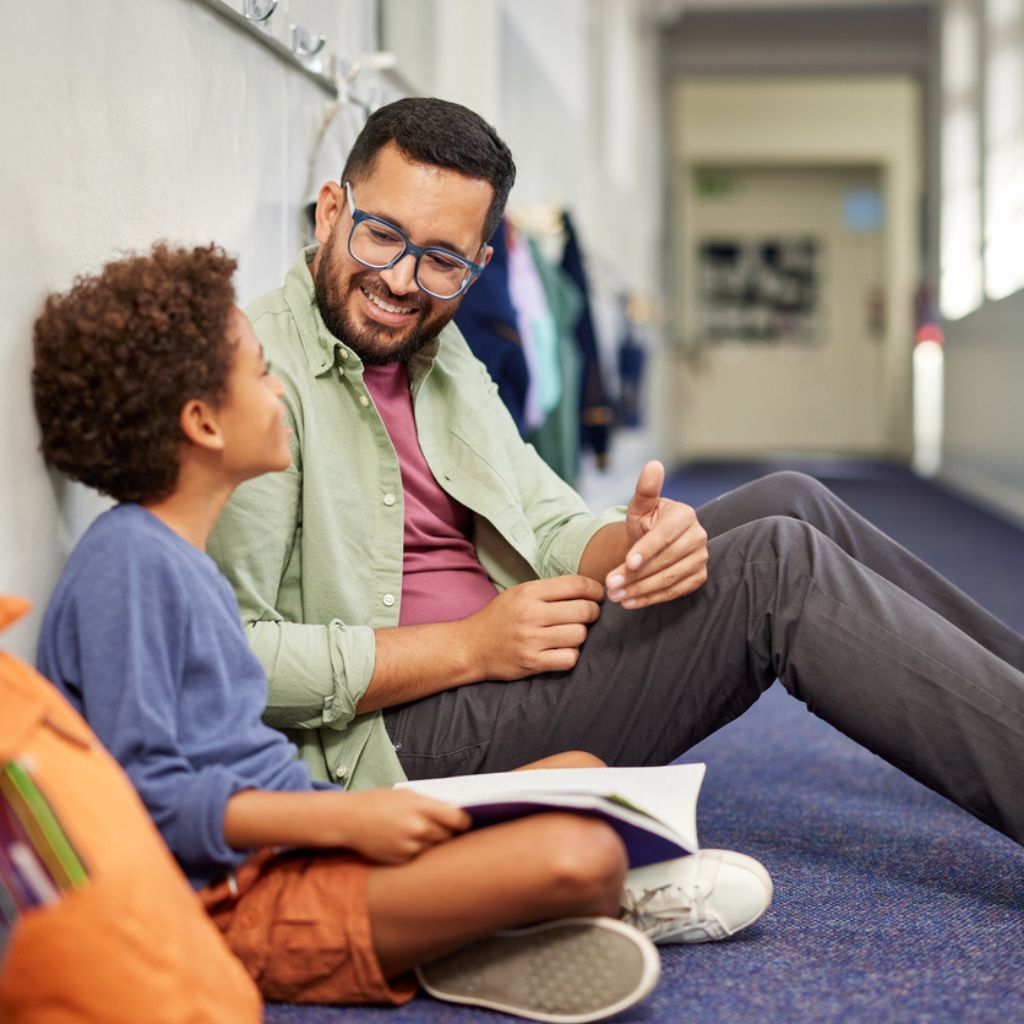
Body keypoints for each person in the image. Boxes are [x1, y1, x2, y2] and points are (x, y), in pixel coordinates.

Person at [207, 96, 1024, 847]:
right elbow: (230, 658)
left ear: (479, 264)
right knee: (779, 567)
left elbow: (549, 519)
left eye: (442, 261)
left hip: (518, 647)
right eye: (381, 235)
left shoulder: (439, 352)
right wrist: (470, 647)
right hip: (403, 738)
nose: (399, 281)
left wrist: (635, 541)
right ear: (329, 210)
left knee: (793, 499)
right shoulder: (256, 378)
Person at [31, 243, 772, 1022]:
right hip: (235, 904)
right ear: (202, 423)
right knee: (580, 854)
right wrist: (344, 818)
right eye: (258, 372)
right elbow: (152, 799)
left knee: (582, 773)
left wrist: (346, 819)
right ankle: (536, 917)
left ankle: (477, 930)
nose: (278, 385)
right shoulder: (128, 566)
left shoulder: (173, 563)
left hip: (302, 843)